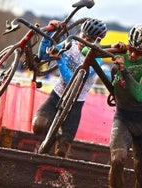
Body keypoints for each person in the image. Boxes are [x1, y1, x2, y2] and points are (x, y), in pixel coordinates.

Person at [32, 18, 109, 157]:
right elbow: (43, 55)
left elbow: (72, 81)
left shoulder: (96, 59)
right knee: (38, 126)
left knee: (61, 152)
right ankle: (53, 134)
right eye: (83, 36)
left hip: (75, 104)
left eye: (89, 40)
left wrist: (60, 60)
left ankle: (60, 140)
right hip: (57, 95)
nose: (83, 41)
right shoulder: (70, 44)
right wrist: (49, 34)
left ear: (96, 42)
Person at [108, 23, 142, 188]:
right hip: (123, 116)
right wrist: (111, 47)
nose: (133, 54)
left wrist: (124, 70)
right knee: (117, 160)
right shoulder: (123, 51)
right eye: (131, 48)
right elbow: (88, 52)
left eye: (139, 52)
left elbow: (140, 95)